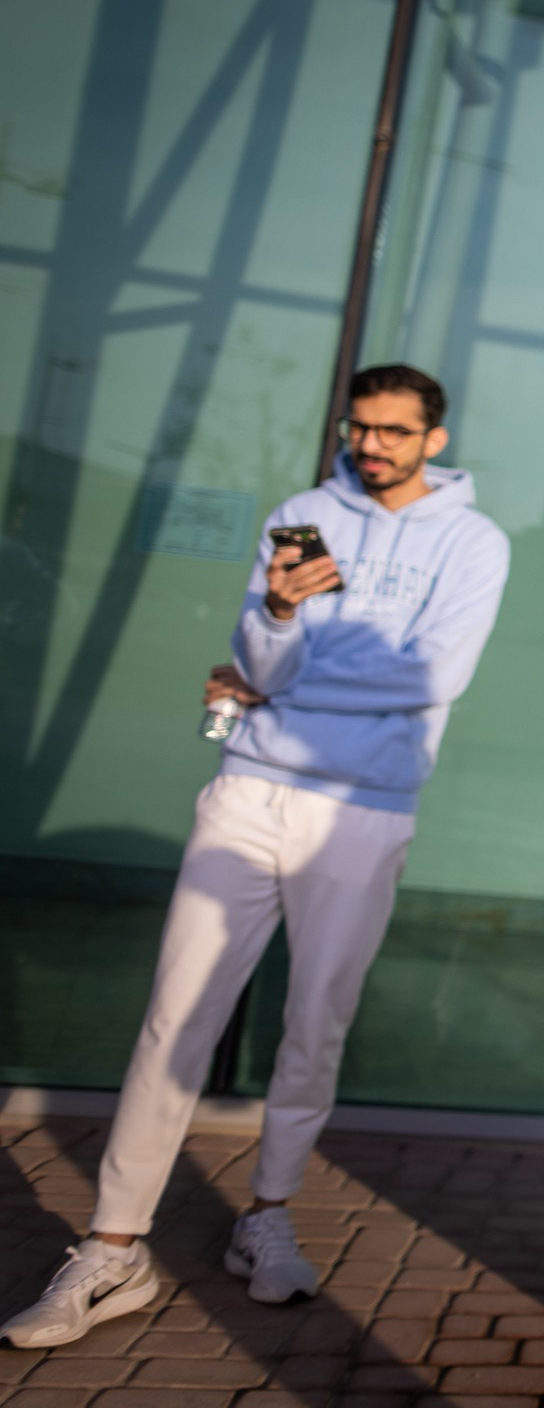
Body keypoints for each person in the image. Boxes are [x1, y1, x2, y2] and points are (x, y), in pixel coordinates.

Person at [2, 364, 510, 1348]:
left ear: (432, 441)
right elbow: (266, 661)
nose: (372, 446)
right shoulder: (301, 511)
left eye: (394, 432)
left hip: (364, 807)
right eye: (361, 428)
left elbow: (433, 673)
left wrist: (296, 680)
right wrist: (279, 618)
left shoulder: (473, 541)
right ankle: (114, 1248)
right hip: (247, 789)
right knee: (172, 1015)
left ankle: (266, 1218)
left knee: (315, 1021)